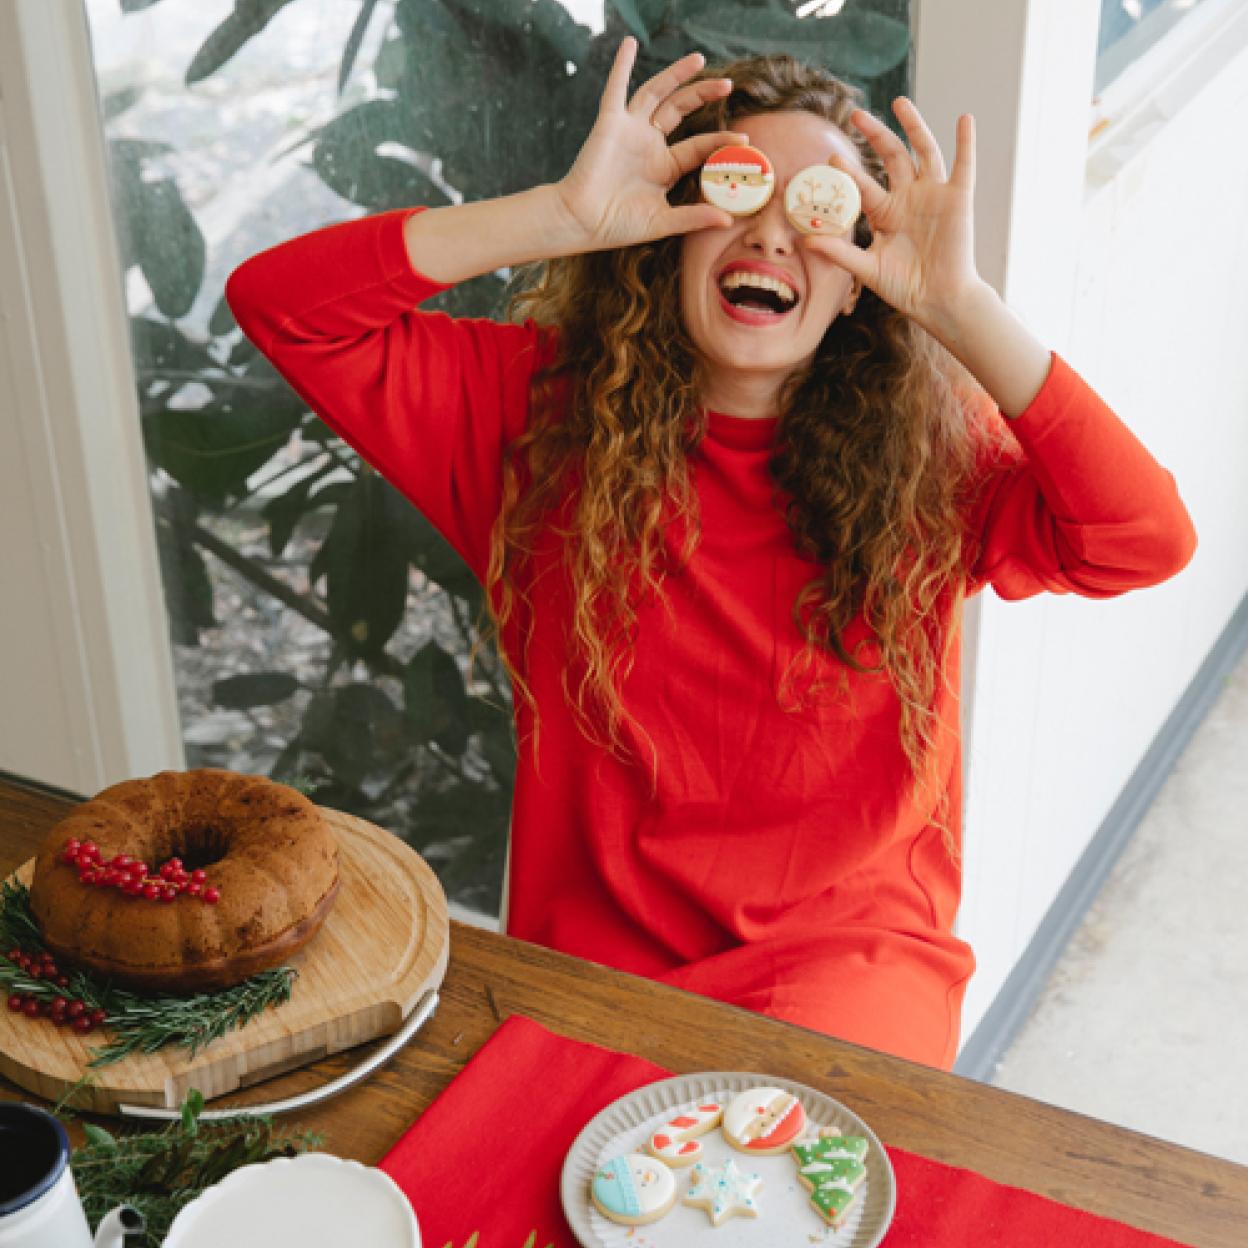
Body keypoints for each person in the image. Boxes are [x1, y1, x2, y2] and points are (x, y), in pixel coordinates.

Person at [226, 40, 1196, 1069]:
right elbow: (282, 307)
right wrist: (559, 215)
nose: (772, 233)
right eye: (737, 192)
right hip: (593, 977)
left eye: (818, 213)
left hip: (849, 965)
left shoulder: (930, 453)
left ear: (861, 279)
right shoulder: (530, 420)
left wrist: (962, 308)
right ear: (671, 238)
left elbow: (1145, 539)